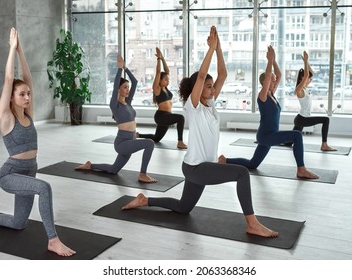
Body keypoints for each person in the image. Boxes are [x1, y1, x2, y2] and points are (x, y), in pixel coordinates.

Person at [122, 26, 278, 238]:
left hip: (197, 166)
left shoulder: (210, 104)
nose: (212, 89)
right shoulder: (192, 107)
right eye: (208, 86)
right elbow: (203, 74)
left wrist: (219, 47)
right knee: (241, 173)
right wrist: (210, 50)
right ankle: (252, 223)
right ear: (197, 88)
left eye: (212, 86)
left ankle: (145, 200)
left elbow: (222, 74)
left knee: (184, 207)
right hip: (197, 167)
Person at [0, 27, 76, 257]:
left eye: (28, 94)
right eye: (22, 94)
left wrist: (21, 51)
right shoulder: (7, 117)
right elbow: (10, 78)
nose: (27, 97)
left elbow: (28, 78)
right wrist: (11, 49)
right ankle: (53, 240)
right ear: (11, 96)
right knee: (45, 188)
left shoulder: (26, 113)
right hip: (10, 174)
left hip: (29, 172)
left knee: (19, 222)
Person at [219, 46, 318, 179]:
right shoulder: (263, 96)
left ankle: (225, 160)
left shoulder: (272, 94)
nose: (274, 81)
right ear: (265, 83)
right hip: (266, 135)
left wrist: (274, 60)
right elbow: (268, 79)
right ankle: (301, 169)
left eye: (273, 80)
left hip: (268, 135)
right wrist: (269, 61)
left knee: (252, 164)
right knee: (297, 135)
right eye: (271, 80)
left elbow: (279, 75)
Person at [76, 55, 157, 183]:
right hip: (122, 143)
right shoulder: (115, 105)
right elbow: (115, 87)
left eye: (128, 88)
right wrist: (120, 69)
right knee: (149, 143)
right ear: (118, 89)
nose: (128, 90)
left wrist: (126, 68)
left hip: (131, 140)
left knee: (114, 169)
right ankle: (142, 174)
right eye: (125, 87)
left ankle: (90, 165)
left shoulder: (128, 102)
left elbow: (135, 82)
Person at [136, 48, 187, 149]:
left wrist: (163, 58)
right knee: (181, 118)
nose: (168, 81)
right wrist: (158, 59)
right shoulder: (157, 88)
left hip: (167, 116)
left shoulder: (165, 88)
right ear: (160, 80)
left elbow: (167, 71)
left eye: (168, 79)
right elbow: (159, 71)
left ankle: (138, 135)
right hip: (161, 116)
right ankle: (180, 142)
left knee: (156, 138)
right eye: (165, 79)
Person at [288, 51, 336, 151]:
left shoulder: (305, 88)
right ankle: (324, 145)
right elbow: (306, 75)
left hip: (301, 118)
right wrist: (305, 62)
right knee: (325, 120)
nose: (309, 79)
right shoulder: (299, 89)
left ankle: (269, 141)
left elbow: (310, 74)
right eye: (307, 78)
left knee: (289, 142)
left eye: (309, 78)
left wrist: (307, 61)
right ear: (301, 79)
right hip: (302, 119)